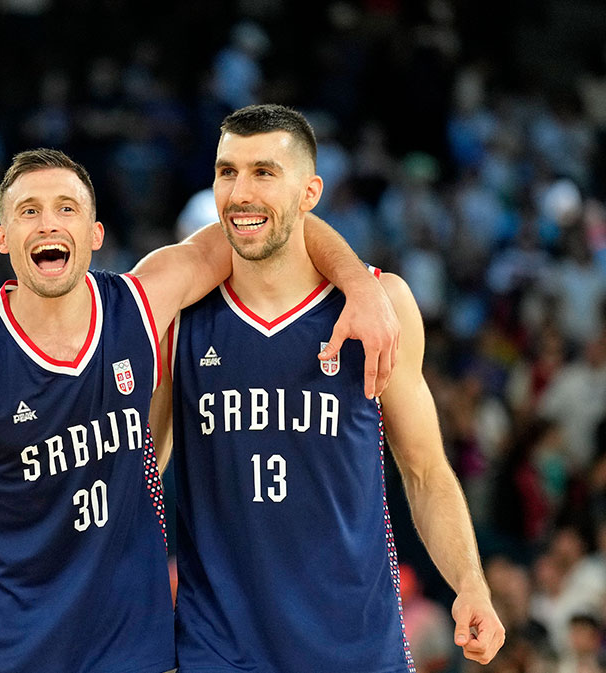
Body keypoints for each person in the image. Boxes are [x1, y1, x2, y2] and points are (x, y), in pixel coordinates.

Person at [0, 147, 400, 673]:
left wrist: (358, 281)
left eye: (66, 208)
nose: (48, 224)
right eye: (29, 211)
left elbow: (278, 225)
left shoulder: (139, 309)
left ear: (96, 233)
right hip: (9, 656)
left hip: (136, 653)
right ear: (2, 238)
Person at [161, 103, 505, 672]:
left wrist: (470, 582)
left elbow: (424, 471)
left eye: (264, 172)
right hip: (220, 651)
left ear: (310, 192)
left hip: (355, 648)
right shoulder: (181, 318)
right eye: (227, 172)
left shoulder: (382, 305)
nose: (240, 192)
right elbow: (141, 476)